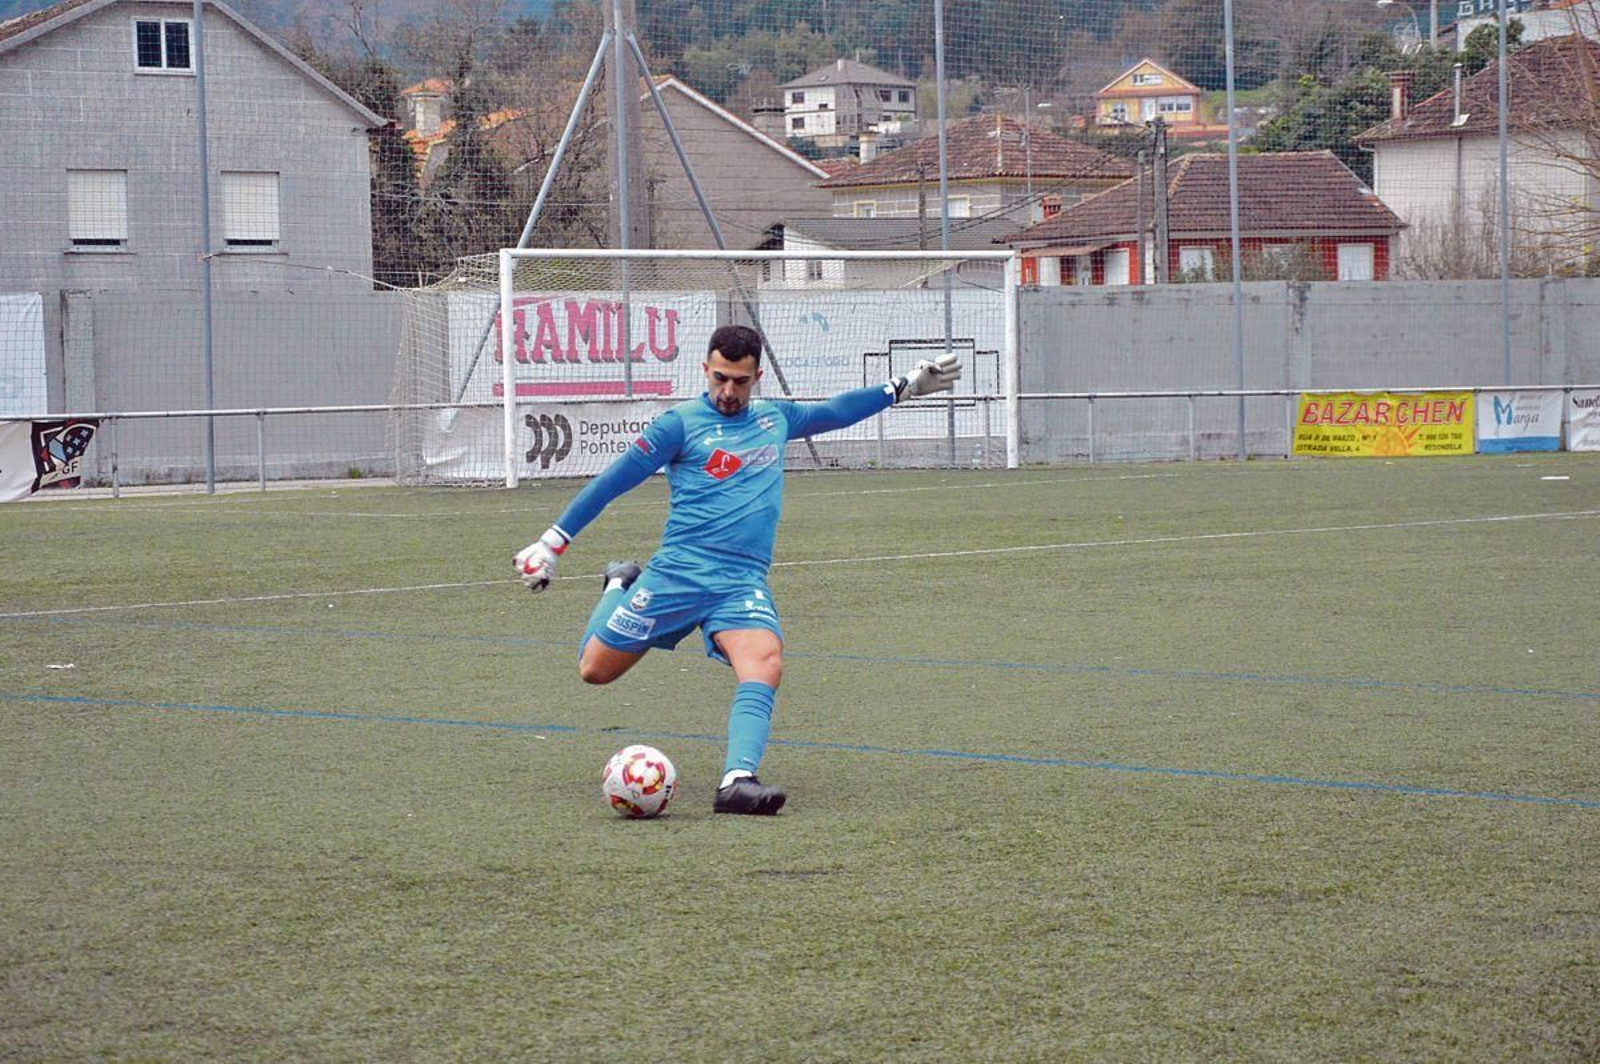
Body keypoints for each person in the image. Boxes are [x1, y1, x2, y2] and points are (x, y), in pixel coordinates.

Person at [515, 324, 960, 815]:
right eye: (720, 379)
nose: (728, 392)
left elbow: (835, 411)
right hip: (677, 575)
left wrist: (901, 387)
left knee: (765, 660)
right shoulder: (678, 425)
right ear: (705, 370)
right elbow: (612, 482)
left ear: (757, 377)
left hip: (740, 582)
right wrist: (552, 543)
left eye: (740, 382)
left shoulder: (775, 419)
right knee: (594, 671)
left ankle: (736, 781)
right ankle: (620, 584)